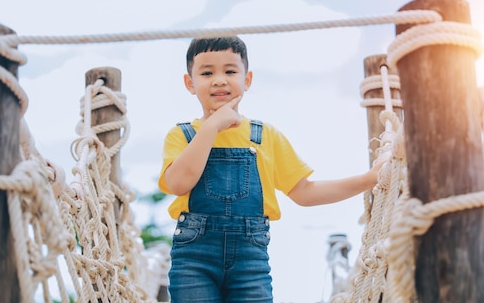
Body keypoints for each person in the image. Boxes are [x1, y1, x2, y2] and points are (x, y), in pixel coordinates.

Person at [158, 36, 381, 303]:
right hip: (194, 258)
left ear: (247, 79)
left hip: (249, 261)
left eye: (230, 71)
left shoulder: (264, 136)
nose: (219, 80)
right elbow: (179, 183)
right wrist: (211, 127)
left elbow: (305, 192)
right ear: (190, 83)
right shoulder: (182, 135)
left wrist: (369, 179)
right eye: (207, 73)